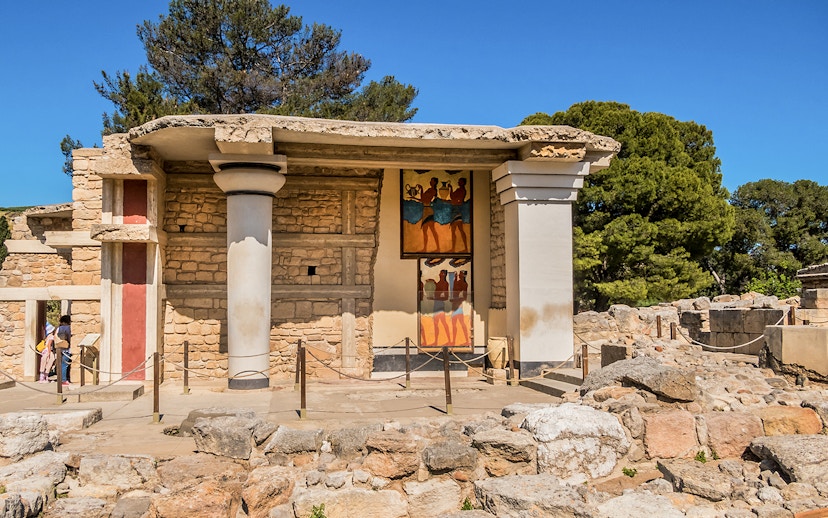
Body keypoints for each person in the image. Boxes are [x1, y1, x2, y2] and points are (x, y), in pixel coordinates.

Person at [56, 315, 72, 385]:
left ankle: (61, 378)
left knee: (62, 364)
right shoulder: (68, 328)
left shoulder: (59, 328)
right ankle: (64, 379)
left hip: (60, 348)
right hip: (67, 348)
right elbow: (69, 337)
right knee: (65, 364)